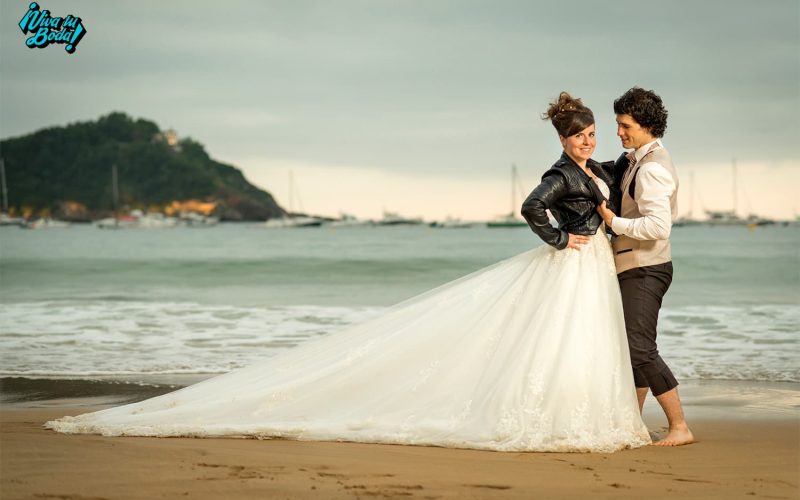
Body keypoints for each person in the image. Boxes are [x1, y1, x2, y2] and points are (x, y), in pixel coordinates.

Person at [46, 92, 650, 453]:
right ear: (561, 138)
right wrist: (561, 238)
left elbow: (615, 167)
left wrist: (641, 151)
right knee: (558, 341)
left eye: (591, 135)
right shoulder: (558, 172)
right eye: (579, 136)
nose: (586, 142)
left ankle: (582, 410)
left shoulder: (592, 163)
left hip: (589, 268)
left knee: (581, 345)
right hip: (571, 264)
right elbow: (529, 208)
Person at [597, 87, 694, 446]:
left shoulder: (652, 169)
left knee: (639, 349)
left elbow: (658, 226)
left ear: (646, 125)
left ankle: (680, 426)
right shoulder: (640, 159)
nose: (619, 132)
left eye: (624, 125)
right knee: (633, 348)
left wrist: (613, 222)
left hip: (645, 267)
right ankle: (633, 424)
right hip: (638, 266)